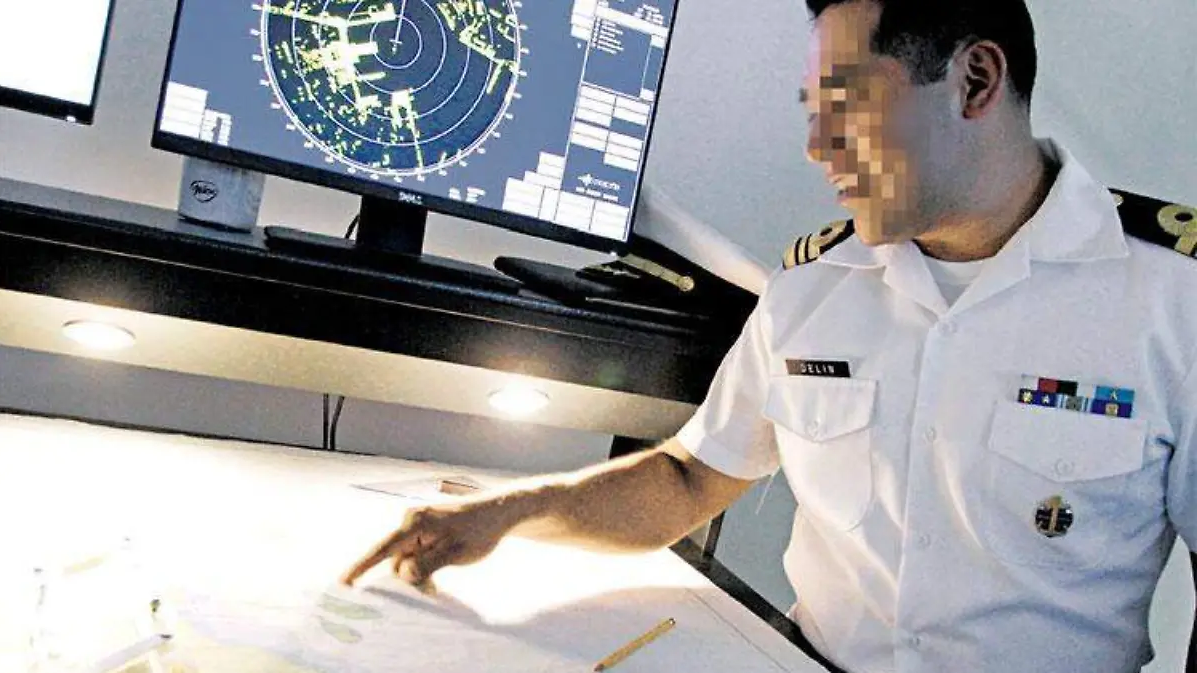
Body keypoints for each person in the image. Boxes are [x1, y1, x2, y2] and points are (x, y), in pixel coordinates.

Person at [341, 0, 1197, 670]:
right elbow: (687, 478)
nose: (817, 145)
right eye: (812, 110)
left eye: (847, 105)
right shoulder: (813, 285)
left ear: (975, 81)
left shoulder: (1172, 299)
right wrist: (507, 512)